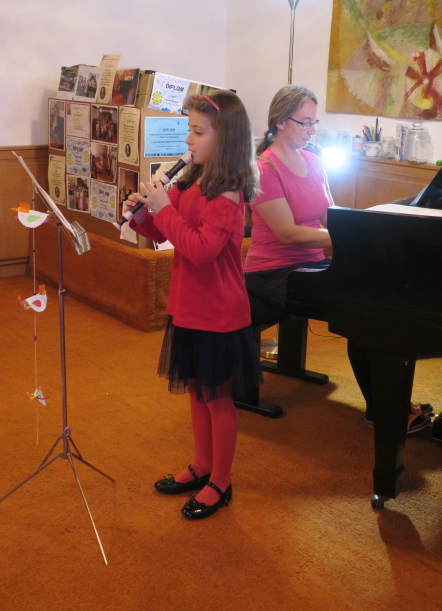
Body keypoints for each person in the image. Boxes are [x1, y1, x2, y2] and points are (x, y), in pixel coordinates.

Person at [244, 85, 432, 433]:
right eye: (305, 123)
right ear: (280, 122)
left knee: (372, 299)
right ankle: (385, 411)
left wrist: (363, 228)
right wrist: (354, 236)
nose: (312, 130)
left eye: (314, 122)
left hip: (311, 264)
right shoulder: (263, 169)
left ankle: (387, 406)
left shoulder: (314, 161)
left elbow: (330, 218)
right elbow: (288, 234)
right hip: (272, 271)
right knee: (361, 310)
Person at [125, 90, 262, 521]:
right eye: (189, 130)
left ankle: (221, 480)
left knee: (217, 399)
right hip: (188, 306)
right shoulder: (190, 182)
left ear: (226, 139)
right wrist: (143, 214)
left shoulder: (228, 195)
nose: (188, 140)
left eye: (198, 132)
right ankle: (202, 465)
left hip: (218, 312)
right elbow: (170, 235)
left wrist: (163, 210)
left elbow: (201, 250)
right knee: (197, 393)